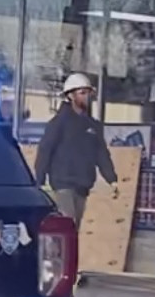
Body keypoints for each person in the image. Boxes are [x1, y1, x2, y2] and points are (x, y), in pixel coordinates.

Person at [33, 72, 120, 225]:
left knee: (73, 230)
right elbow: (45, 150)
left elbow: (101, 153)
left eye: (88, 93)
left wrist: (112, 179)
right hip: (62, 184)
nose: (87, 97)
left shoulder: (93, 125)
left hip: (83, 185)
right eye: (82, 93)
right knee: (67, 225)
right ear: (71, 96)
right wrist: (39, 181)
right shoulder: (58, 123)